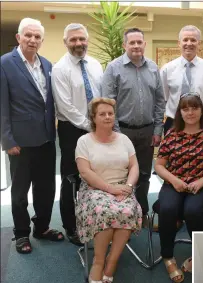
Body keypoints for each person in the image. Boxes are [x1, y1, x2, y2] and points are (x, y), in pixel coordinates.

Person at [1, 18, 63, 254]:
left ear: (42, 40)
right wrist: (7, 140)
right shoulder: (5, 64)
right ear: (18, 37)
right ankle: (21, 234)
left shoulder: (48, 65)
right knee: (19, 193)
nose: (33, 40)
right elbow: (2, 106)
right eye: (28, 35)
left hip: (46, 139)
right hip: (20, 142)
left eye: (37, 37)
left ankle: (42, 227)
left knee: (46, 189)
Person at [155, 93, 203, 282]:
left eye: (194, 108)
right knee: (168, 208)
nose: (190, 112)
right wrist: (174, 180)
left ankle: (201, 255)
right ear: (180, 112)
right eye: (185, 108)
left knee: (192, 210)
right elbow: (159, 165)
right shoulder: (171, 134)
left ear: (201, 111)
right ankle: (167, 256)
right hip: (174, 184)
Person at [75, 97, 142, 283]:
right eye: (102, 114)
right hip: (94, 188)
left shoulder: (124, 139)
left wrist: (128, 187)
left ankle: (111, 262)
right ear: (93, 118)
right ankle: (98, 261)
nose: (107, 117)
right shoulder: (84, 141)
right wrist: (111, 189)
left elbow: (134, 166)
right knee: (105, 211)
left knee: (127, 211)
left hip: (123, 187)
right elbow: (85, 172)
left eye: (110, 113)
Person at [102, 28, 165, 221]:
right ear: (124, 45)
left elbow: (160, 101)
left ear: (145, 44)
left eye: (139, 42)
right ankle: (122, 214)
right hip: (122, 131)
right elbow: (107, 102)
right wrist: (116, 134)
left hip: (147, 132)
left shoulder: (153, 68)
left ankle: (141, 212)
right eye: (132, 43)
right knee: (122, 175)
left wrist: (157, 130)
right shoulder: (114, 68)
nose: (136, 46)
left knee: (144, 174)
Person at [52, 23, 103, 246]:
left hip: (97, 128)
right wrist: (90, 126)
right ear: (65, 42)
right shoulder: (60, 68)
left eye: (81, 39)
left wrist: (100, 124)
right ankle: (71, 225)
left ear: (87, 40)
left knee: (97, 173)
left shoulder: (95, 64)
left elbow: (101, 96)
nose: (78, 43)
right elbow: (65, 106)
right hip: (72, 129)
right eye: (73, 40)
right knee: (71, 177)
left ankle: (94, 219)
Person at [161, 25, 203, 134]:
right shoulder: (167, 69)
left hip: (201, 123)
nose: (189, 43)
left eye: (193, 40)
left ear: (199, 44)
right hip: (173, 122)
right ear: (179, 43)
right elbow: (163, 98)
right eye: (185, 40)